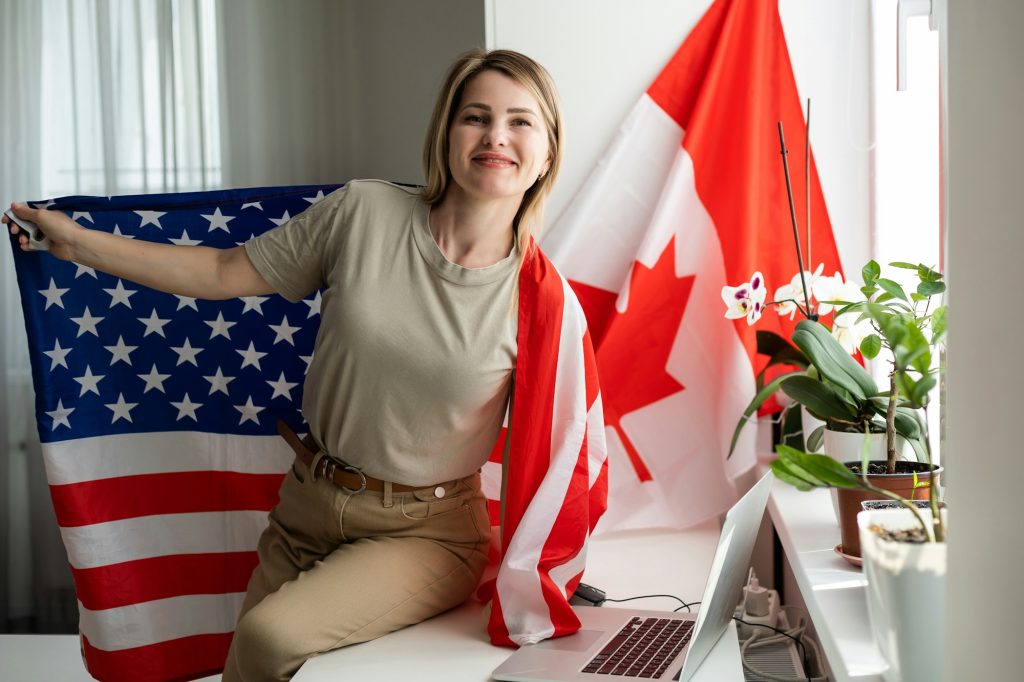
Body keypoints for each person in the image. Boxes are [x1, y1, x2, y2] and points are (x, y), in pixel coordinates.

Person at [5, 48, 606, 681]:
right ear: (445, 134)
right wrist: (74, 243)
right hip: (306, 503)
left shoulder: (544, 306)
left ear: (547, 150)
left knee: (267, 638)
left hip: (424, 534)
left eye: (521, 122)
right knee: (242, 664)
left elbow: (557, 457)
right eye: (475, 116)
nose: (495, 137)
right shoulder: (363, 213)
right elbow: (220, 271)